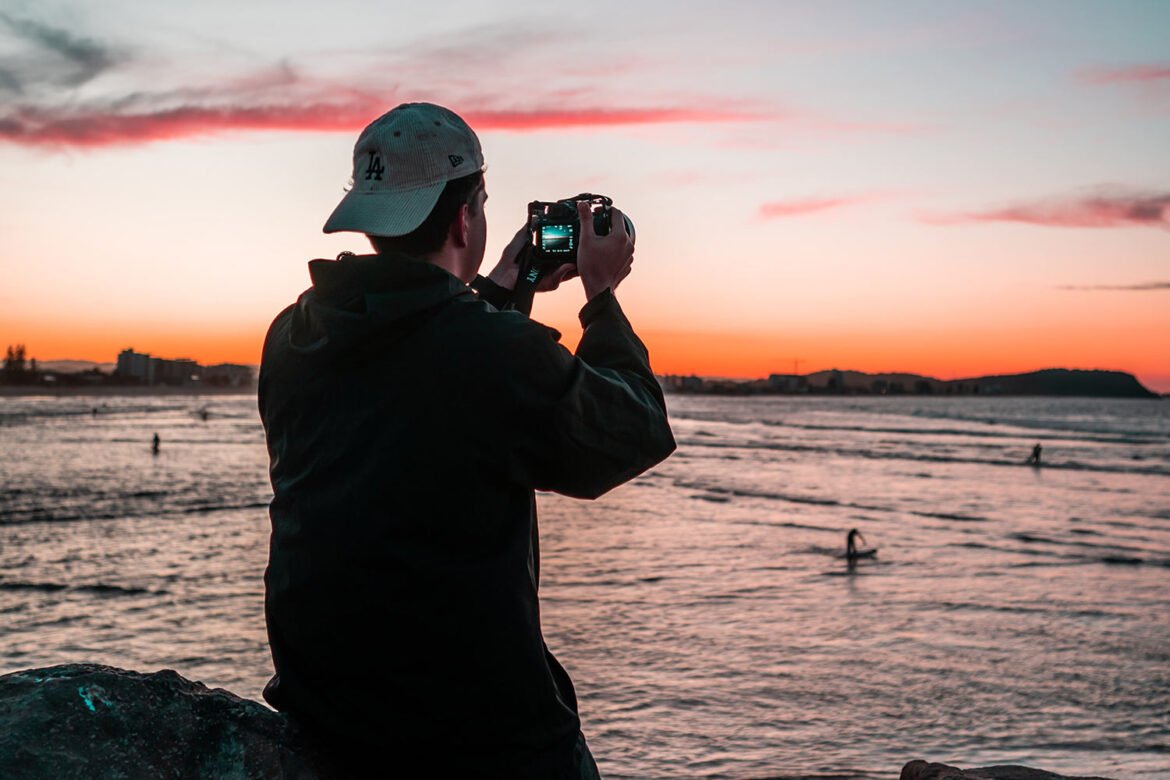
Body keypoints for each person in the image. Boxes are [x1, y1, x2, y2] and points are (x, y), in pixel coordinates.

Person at [258, 102, 676, 778]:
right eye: (480, 203)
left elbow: (429, 368)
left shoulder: (293, 334)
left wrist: (509, 281)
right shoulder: (490, 353)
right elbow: (634, 430)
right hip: (473, 735)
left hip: (327, 703)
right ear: (463, 220)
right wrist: (601, 295)